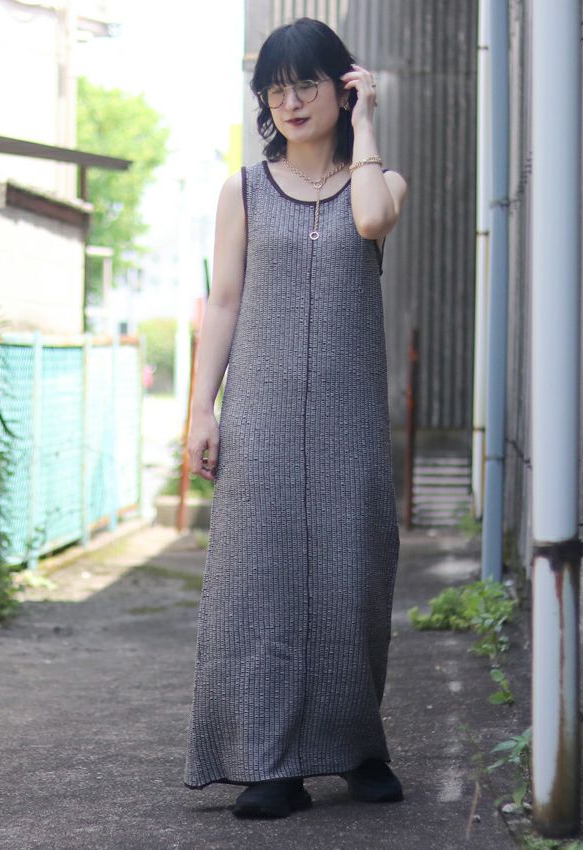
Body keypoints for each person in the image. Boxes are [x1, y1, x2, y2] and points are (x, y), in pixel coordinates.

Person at [183, 17, 408, 819]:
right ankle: (267, 763)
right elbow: (223, 302)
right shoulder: (242, 190)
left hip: (351, 424)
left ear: (342, 89)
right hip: (261, 419)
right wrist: (201, 411)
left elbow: (371, 221)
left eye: (308, 83)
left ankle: (357, 749)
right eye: (276, 89)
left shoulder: (381, 182)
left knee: (353, 582)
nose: (291, 101)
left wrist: (368, 125)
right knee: (259, 587)